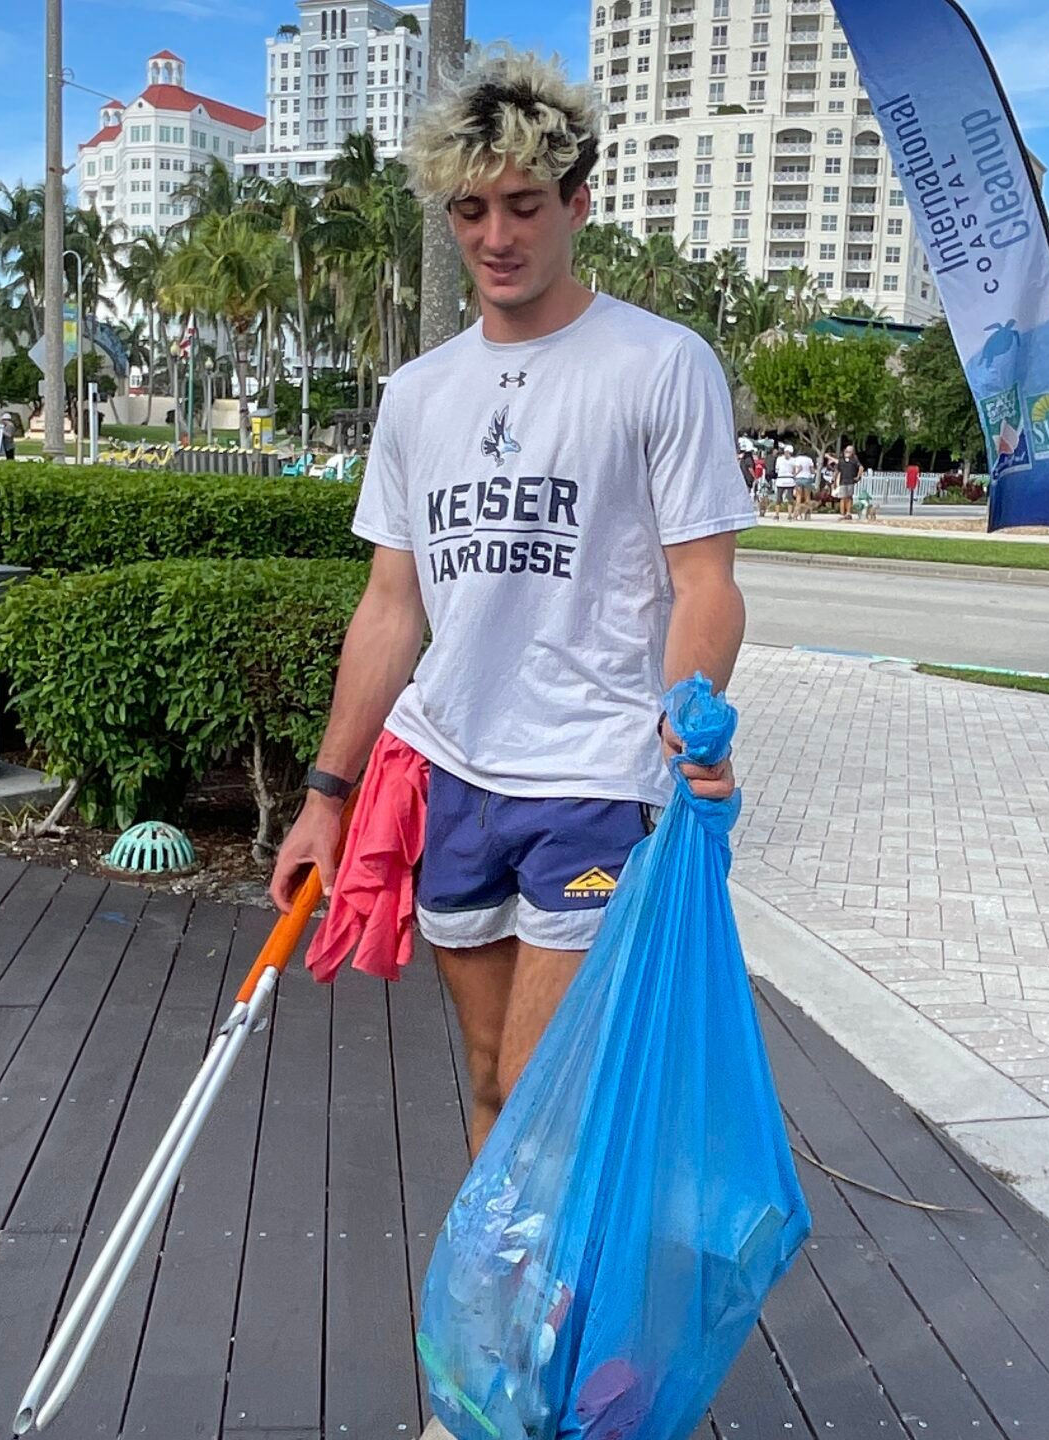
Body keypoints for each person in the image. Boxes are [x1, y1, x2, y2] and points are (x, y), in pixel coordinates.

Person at [269, 47, 748, 1170]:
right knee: (489, 1077)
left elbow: (706, 580)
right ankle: (505, 1316)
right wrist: (325, 798)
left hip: (593, 775)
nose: (497, 236)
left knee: (546, 1089)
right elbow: (391, 608)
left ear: (577, 202)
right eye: (471, 210)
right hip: (453, 777)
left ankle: (553, 1333)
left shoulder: (661, 365)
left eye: (525, 205)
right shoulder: (419, 395)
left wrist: (691, 713)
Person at [772, 444, 799, 519]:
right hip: (789, 480)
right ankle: (789, 515)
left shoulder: (779, 459)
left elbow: (776, 469)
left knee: (779, 498)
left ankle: (777, 515)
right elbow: (795, 470)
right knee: (789, 498)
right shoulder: (794, 460)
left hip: (781, 479)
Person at [837, 443, 863, 520]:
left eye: (849, 451)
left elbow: (861, 468)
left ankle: (848, 513)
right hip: (842, 481)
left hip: (850, 481)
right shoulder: (841, 460)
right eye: (846, 451)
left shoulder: (854, 460)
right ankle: (842, 513)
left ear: (852, 452)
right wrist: (834, 481)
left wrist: (858, 476)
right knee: (843, 498)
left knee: (848, 497)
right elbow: (837, 471)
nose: (847, 452)